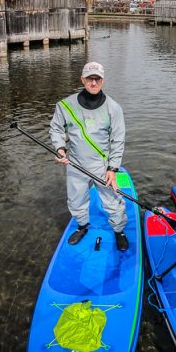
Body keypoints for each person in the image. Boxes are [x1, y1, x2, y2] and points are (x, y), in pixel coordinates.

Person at [49, 61, 129, 251]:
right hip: (75, 162)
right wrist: (60, 149)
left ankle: (119, 231)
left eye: (98, 79)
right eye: (90, 79)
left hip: (101, 165)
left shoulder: (114, 108)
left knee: (112, 201)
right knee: (76, 200)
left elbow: (118, 140)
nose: (94, 83)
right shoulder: (65, 106)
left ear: (103, 81)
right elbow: (56, 129)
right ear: (82, 79)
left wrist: (113, 168)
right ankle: (83, 226)